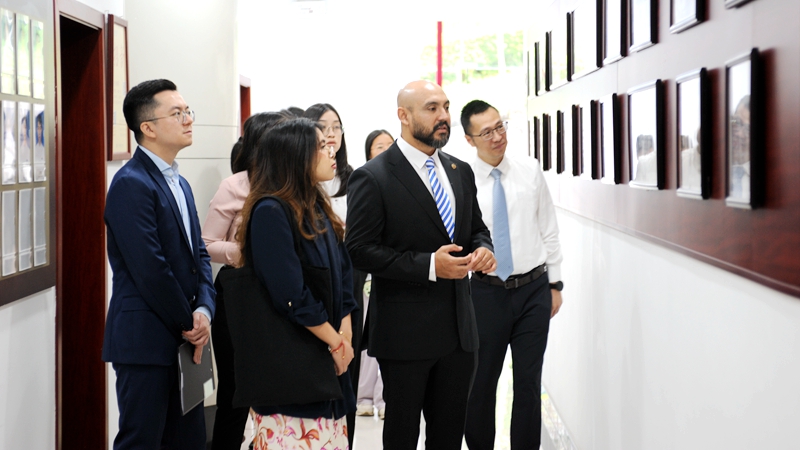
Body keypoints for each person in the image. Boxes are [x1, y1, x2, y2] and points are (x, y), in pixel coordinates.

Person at [346, 80, 496, 450]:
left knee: (448, 437)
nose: (443, 116)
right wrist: (428, 265)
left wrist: (484, 250)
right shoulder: (373, 176)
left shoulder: (460, 170)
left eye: (445, 107)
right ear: (403, 115)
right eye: (432, 108)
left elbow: (477, 229)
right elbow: (359, 250)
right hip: (404, 335)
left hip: (459, 333)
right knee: (402, 436)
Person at [102, 79, 215, 450]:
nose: (188, 119)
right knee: (143, 441)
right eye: (177, 113)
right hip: (146, 342)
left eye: (187, 111)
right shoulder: (130, 183)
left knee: (189, 441)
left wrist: (204, 310)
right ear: (147, 128)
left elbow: (199, 255)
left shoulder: (179, 182)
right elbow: (151, 270)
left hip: (185, 337)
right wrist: (190, 323)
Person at [236, 118, 357, 448]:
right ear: (295, 156)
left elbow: (344, 278)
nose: (332, 151)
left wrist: (344, 338)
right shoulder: (270, 211)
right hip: (293, 367)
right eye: (321, 146)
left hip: (329, 358)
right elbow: (291, 295)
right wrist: (336, 343)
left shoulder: (316, 205)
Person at [460, 100, 563, 450]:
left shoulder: (529, 169)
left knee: (529, 384)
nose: (497, 136)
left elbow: (549, 229)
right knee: (480, 384)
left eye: (500, 126)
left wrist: (555, 284)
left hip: (533, 290)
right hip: (485, 294)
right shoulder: (462, 180)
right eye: (486, 132)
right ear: (469, 139)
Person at [203, 111, 291, 450]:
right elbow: (206, 244)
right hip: (239, 294)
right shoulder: (236, 185)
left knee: (278, 387)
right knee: (236, 389)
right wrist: (245, 253)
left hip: (282, 295)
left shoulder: (293, 183)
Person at [302, 103, 364, 448]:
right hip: (316, 293)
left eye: (336, 127)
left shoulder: (355, 178)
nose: (331, 134)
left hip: (348, 283)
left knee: (347, 371)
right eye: (322, 127)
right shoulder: (301, 190)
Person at [354, 129, 395, 420]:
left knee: (389, 343)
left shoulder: (404, 183)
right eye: (380, 146)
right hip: (366, 274)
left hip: (394, 273)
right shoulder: (364, 180)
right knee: (367, 342)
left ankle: (383, 398)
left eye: (390, 145)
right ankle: (364, 396)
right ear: (369, 153)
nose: (386, 150)